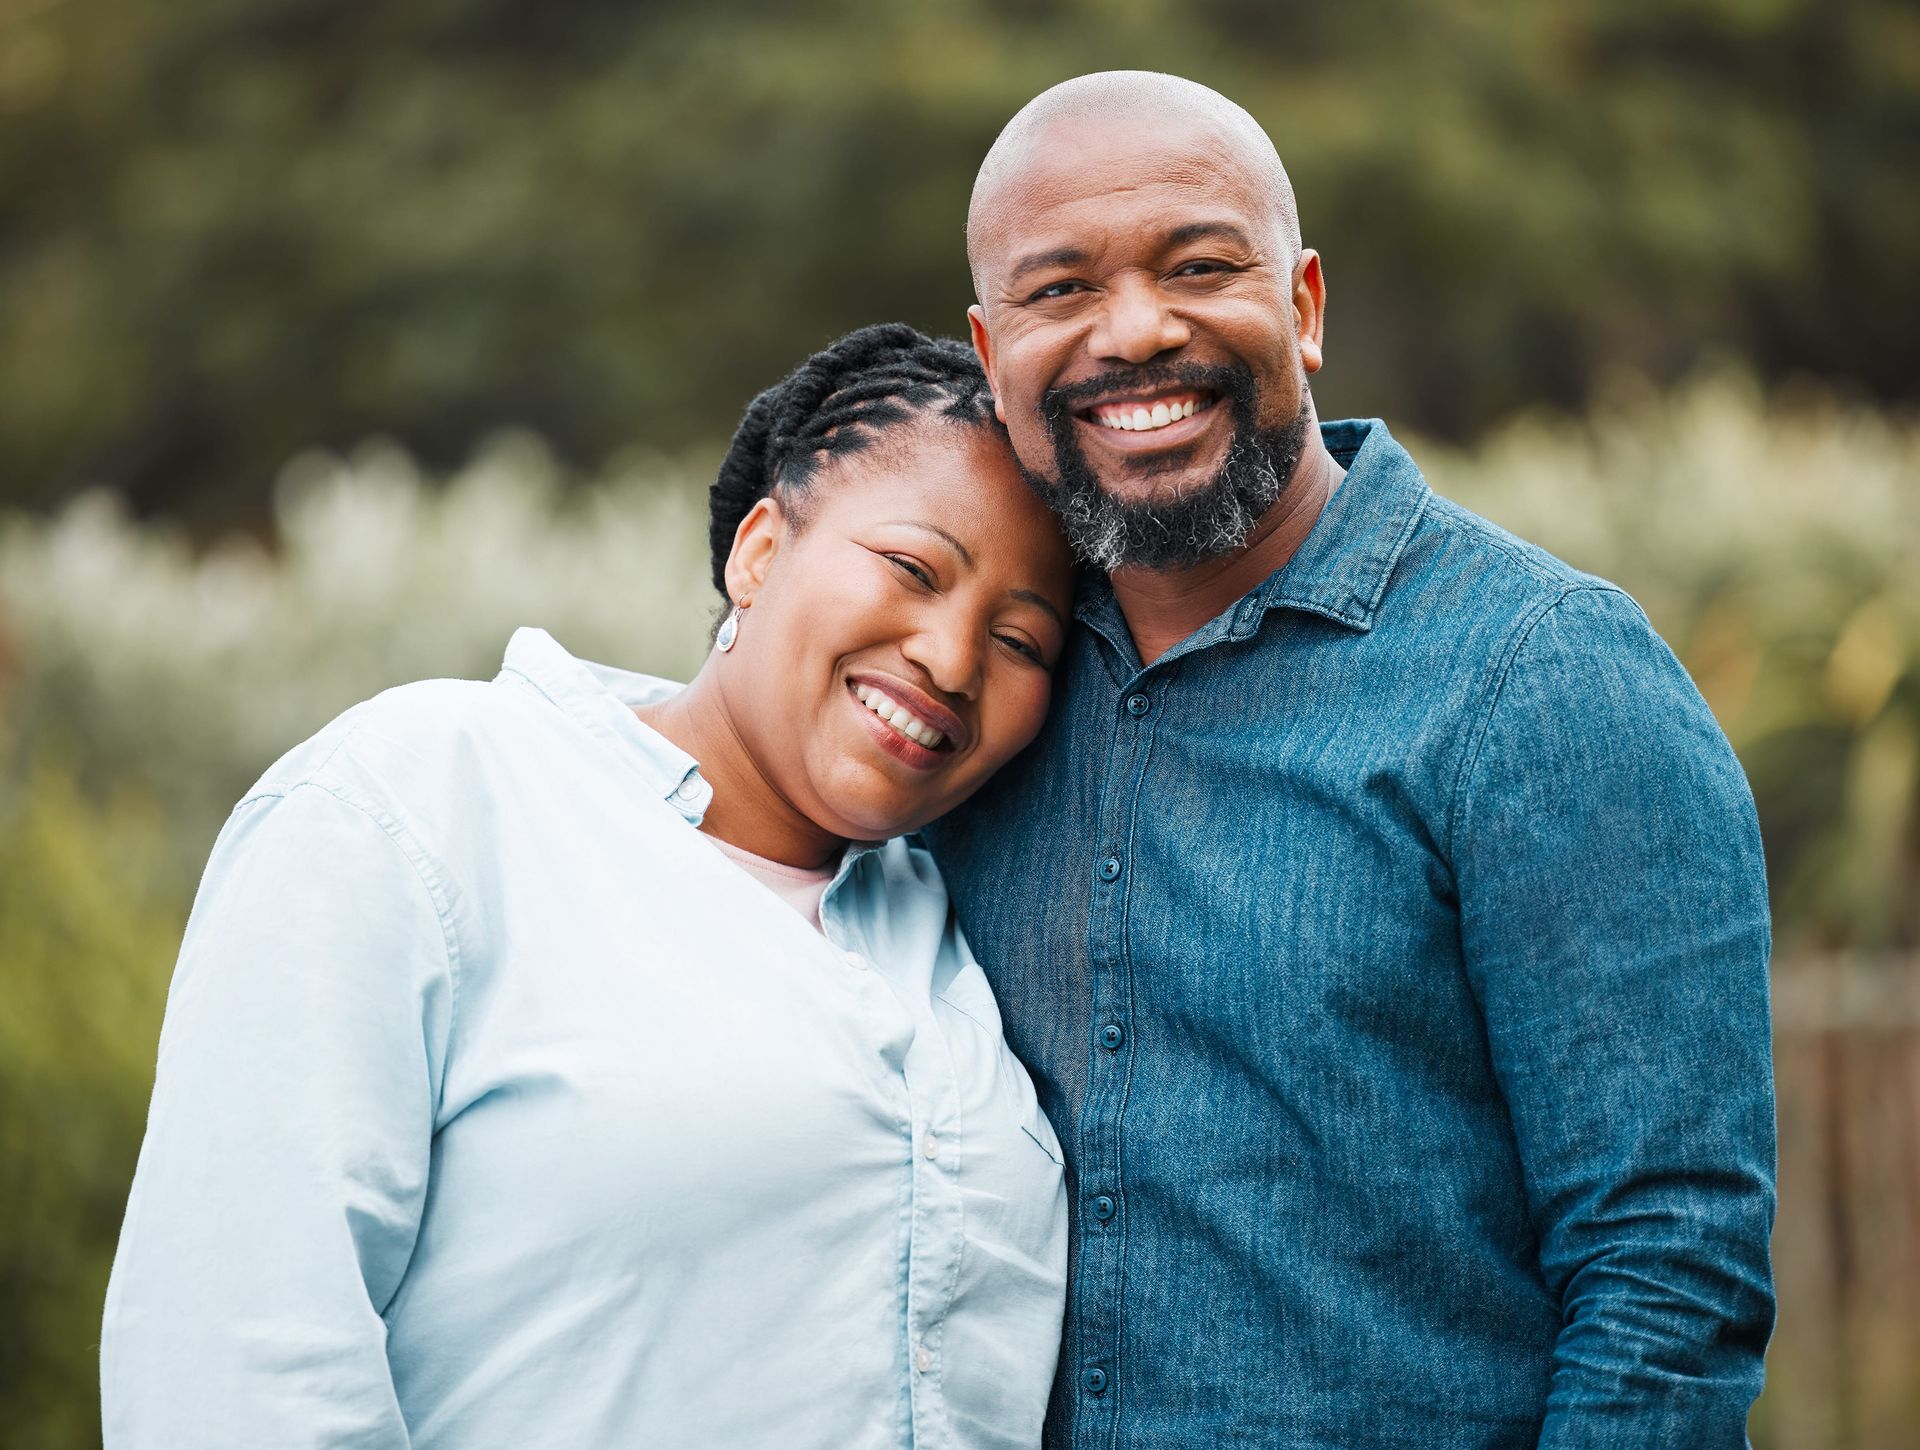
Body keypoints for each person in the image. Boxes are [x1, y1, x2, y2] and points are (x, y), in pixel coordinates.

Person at [925, 72, 1776, 1448]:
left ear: (1306, 307)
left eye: (1201, 265)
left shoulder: (1542, 678)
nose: (1136, 330)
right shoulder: (976, 692)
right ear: (990, 349)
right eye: (1060, 290)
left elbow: (1668, 1282)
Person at [101, 324, 1076, 1449]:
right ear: (760, 550)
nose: (953, 660)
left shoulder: (956, 931)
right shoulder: (427, 799)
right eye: (913, 569)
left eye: (1022, 640)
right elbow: (238, 1363)